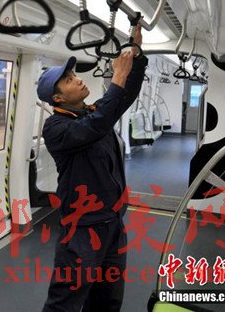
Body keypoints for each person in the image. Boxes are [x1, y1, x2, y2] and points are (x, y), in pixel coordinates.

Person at [38, 25, 147, 312]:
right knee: (65, 303)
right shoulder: (56, 128)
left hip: (113, 223)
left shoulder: (92, 112)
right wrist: (117, 76)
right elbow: (96, 126)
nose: (78, 80)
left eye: (74, 75)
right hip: (83, 229)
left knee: (108, 300)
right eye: (69, 80)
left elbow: (124, 97)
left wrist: (136, 55)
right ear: (58, 98)